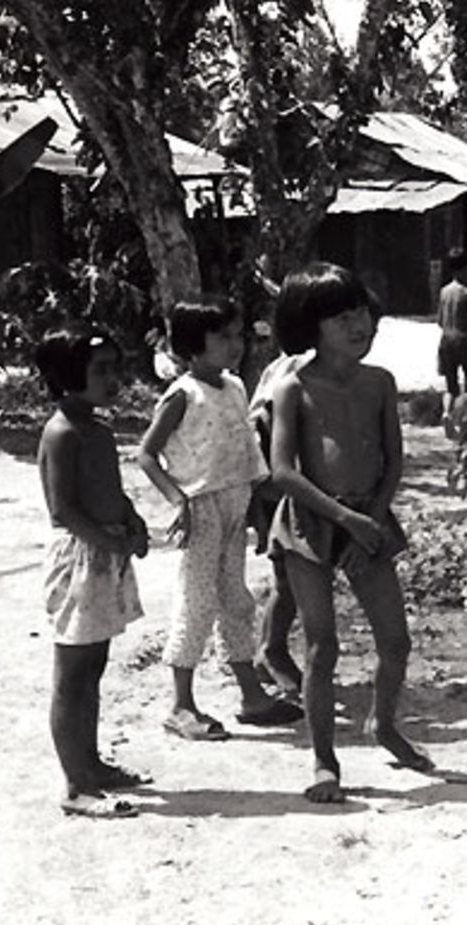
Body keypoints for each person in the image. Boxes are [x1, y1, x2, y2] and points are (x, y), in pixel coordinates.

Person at [268, 262, 434, 803]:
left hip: (369, 522)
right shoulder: (293, 387)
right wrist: (345, 520)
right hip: (309, 524)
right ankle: (324, 759)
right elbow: (283, 471)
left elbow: (392, 461)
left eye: (360, 310)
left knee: (395, 640)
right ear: (309, 326)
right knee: (322, 644)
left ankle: (384, 723)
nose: (358, 323)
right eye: (341, 317)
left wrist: (374, 520)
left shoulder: (380, 383)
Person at [138, 296, 302, 741]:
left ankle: (251, 696)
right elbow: (147, 454)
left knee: (237, 600)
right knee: (197, 603)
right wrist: (179, 502)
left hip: (235, 506)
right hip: (203, 509)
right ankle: (181, 704)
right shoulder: (182, 395)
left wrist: (259, 498)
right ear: (192, 346)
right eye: (222, 337)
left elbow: (245, 451)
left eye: (238, 335)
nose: (235, 345)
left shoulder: (234, 387)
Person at [35, 327, 150, 819]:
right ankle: (75, 785)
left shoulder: (99, 431)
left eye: (114, 367)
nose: (112, 378)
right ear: (67, 375)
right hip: (81, 557)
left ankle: (91, 763)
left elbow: (111, 489)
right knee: (72, 674)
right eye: (98, 369)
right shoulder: (61, 432)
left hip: (106, 552)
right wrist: (108, 541)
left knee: (95, 667)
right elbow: (64, 509)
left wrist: (133, 520)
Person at [248, 343, 313, 701]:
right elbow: (265, 428)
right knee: (290, 578)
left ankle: (270, 650)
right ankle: (271, 651)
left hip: (300, 486)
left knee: (290, 580)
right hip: (283, 486)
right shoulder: (294, 369)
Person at [437, 248, 467, 414]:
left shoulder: (444, 291)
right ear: (465, 269)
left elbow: (440, 320)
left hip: (445, 342)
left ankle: (447, 414)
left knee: (451, 386)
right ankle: (466, 416)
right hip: (463, 342)